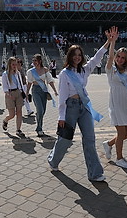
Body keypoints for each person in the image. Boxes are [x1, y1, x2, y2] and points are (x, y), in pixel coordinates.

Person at [47, 27, 113, 182]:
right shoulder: (64, 74)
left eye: (79, 55)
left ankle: (95, 173)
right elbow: (62, 97)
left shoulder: (84, 71)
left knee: (90, 139)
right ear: (70, 56)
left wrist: (108, 42)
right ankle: (53, 160)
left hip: (85, 107)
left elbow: (97, 58)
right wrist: (61, 116)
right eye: (74, 55)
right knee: (65, 139)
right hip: (70, 107)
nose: (77, 57)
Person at [102, 26, 127, 169]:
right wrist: (112, 42)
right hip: (115, 105)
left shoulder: (126, 71)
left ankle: (108, 144)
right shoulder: (110, 70)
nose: (119, 59)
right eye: (118, 56)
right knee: (121, 133)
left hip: (126, 105)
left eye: (122, 58)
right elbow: (110, 58)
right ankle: (119, 158)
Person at [26, 54, 58, 137]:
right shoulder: (30, 71)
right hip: (35, 90)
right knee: (40, 110)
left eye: (35, 60)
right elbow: (29, 83)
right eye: (33, 61)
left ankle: (39, 124)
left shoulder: (45, 70)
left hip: (44, 91)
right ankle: (39, 128)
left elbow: (50, 81)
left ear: (40, 61)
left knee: (43, 111)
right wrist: (26, 93)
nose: (34, 62)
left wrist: (55, 90)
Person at [2, 57, 26, 137]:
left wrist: (23, 93)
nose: (15, 66)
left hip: (18, 93)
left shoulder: (18, 73)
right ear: (9, 64)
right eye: (13, 64)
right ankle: (5, 120)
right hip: (10, 94)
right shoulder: (5, 74)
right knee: (12, 114)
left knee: (19, 112)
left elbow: (21, 84)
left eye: (16, 64)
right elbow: (5, 87)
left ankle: (18, 130)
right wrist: (9, 94)